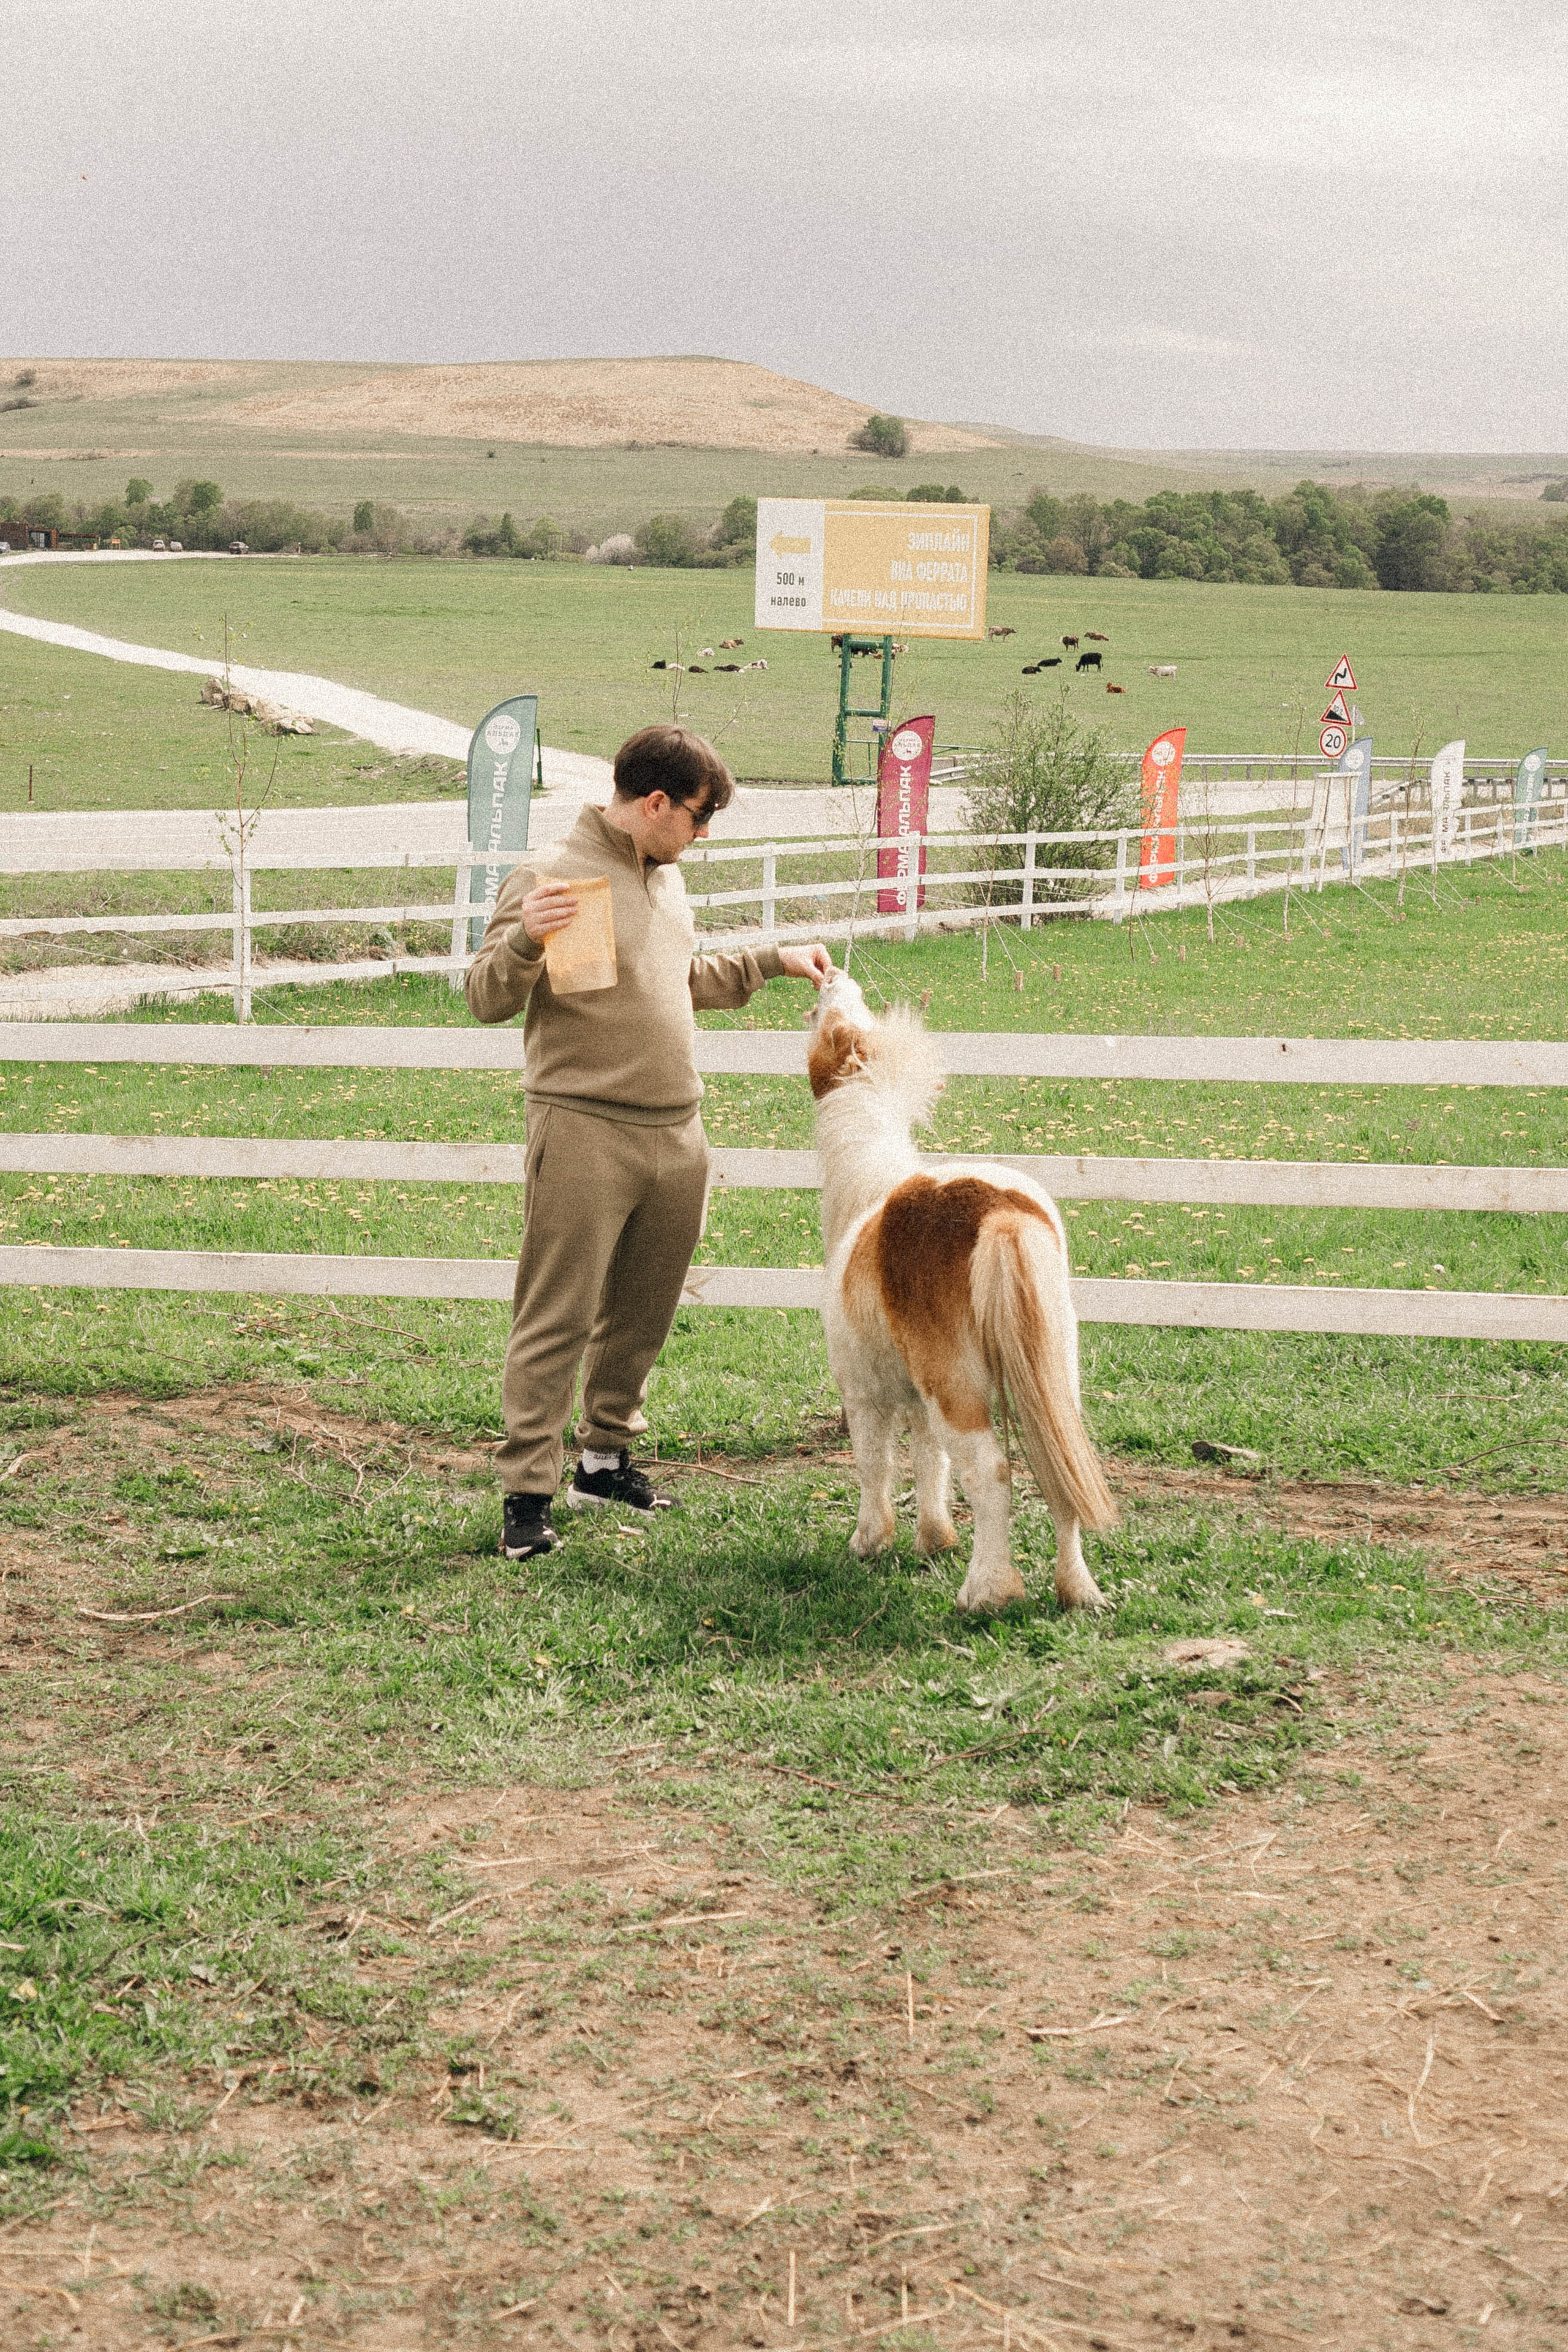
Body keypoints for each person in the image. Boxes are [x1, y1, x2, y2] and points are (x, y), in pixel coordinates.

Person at [466, 723, 832, 1561]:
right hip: (586, 1129)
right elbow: (486, 995)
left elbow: (680, 980)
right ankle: (527, 1496)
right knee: (556, 1315)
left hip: (677, 1131)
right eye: (700, 819)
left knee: (643, 1311)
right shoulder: (555, 879)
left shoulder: (661, 881)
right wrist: (525, 938)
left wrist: (774, 959)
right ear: (657, 804)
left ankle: (603, 1460)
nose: (702, 838)